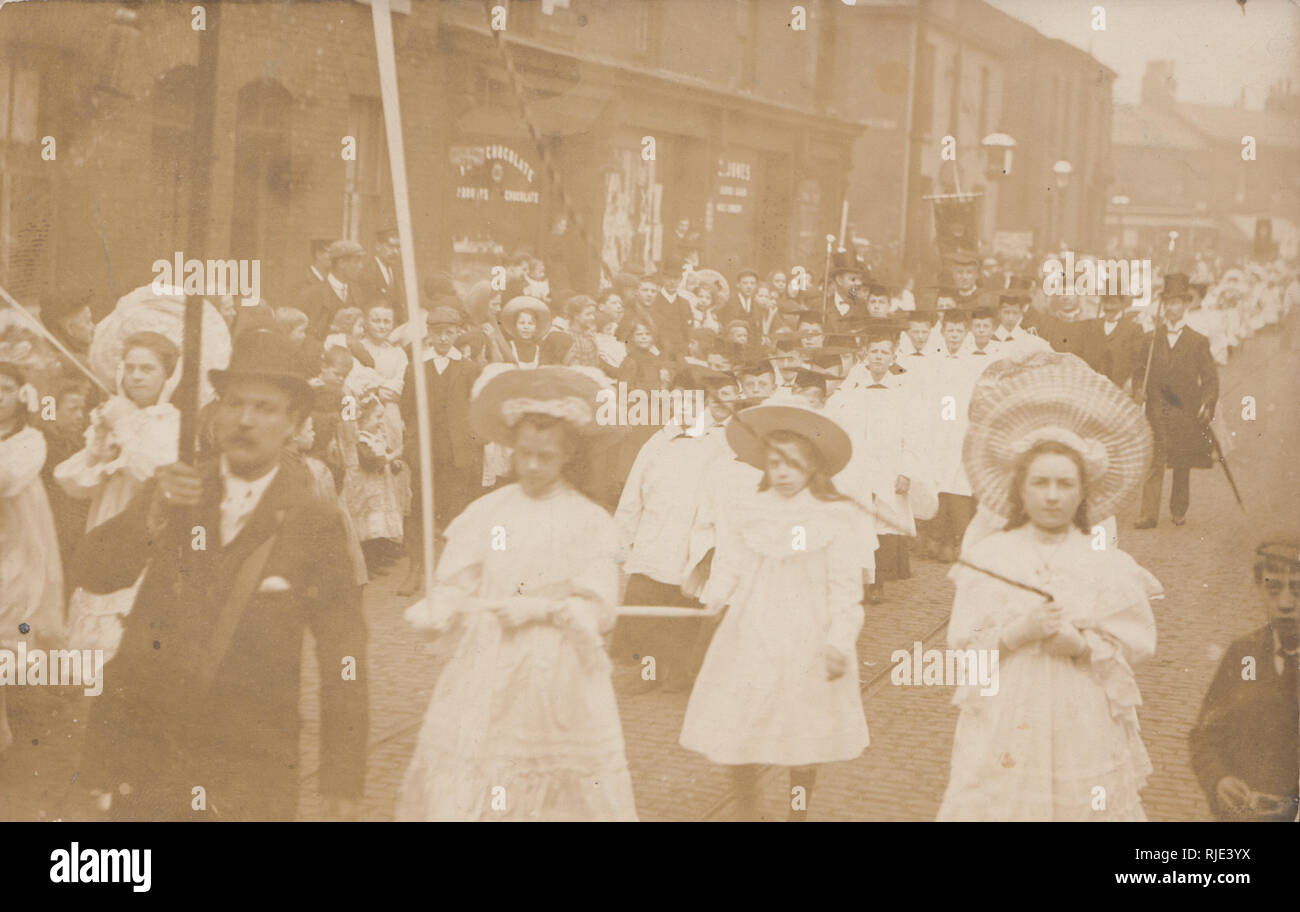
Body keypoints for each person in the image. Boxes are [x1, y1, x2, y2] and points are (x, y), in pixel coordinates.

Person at [74, 329, 368, 820]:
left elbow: (344, 654)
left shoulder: (315, 522)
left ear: (293, 422)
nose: (246, 420)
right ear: (218, 411)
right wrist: (151, 515)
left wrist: (342, 777)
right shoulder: (176, 490)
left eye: (266, 408)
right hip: (150, 747)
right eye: (234, 403)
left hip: (249, 764)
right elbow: (95, 573)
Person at [396, 365, 638, 821]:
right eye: (523, 453)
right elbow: (460, 579)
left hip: (554, 671)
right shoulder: (489, 511)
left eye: (544, 456)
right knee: (479, 767)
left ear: (566, 456)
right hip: (487, 662)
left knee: (551, 779)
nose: (530, 465)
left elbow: (599, 605)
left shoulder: (588, 521)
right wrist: (442, 605)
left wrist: (541, 608)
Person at [937, 351, 1160, 821]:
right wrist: (1017, 633)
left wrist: (1079, 645)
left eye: (1065, 483)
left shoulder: (1109, 565)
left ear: (1084, 490)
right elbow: (964, 651)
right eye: (1040, 483)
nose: (1053, 496)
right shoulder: (988, 559)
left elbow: (1136, 646)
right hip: (1006, 719)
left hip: (1081, 715)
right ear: (1021, 489)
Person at [680, 403, 870, 821]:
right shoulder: (747, 507)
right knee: (739, 725)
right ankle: (749, 811)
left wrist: (840, 639)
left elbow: (844, 590)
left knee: (804, 733)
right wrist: (714, 597)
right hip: (752, 630)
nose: (783, 472)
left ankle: (796, 813)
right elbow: (730, 562)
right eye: (775, 462)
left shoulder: (834, 516)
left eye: (795, 464)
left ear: (814, 467)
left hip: (809, 634)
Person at [56, 332, 181, 658]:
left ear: (167, 374)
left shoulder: (172, 422)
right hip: (104, 525)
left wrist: (126, 425)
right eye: (130, 367)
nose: (136, 376)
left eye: (147, 369)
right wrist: (99, 447)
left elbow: (154, 475)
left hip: (143, 533)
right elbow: (75, 486)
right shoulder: (111, 415)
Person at [1189, 537, 1299, 821]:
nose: (1286, 603)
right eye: (1273, 588)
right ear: (1259, 588)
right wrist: (1219, 779)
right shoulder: (1244, 655)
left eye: (1298, 589)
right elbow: (1205, 734)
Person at [0, 363, 64, 754]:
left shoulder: (29, 440)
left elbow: (7, 477)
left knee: (10, 633)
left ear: (21, 397)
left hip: (16, 551)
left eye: (5, 388)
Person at [397, 306, 483, 596]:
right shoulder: (416, 368)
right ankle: (416, 570)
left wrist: (472, 443)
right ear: (429, 335)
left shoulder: (469, 368)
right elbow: (406, 409)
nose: (444, 339)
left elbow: (476, 409)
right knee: (420, 511)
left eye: (449, 333)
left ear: (457, 333)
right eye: (438, 333)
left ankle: (454, 573)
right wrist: (412, 444)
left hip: (457, 454)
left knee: (456, 513)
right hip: (426, 452)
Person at [1134, 273, 1219, 529]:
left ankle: (1179, 509)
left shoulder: (1198, 341)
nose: (1173, 308)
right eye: (1168, 303)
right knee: (1155, 460)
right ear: (1163, 306)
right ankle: (1148, 514)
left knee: (1182, 462)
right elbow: (1139, 372)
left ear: (1186, 305)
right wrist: (1139, 389)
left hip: (1185, 409)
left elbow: (1210, 379)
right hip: (1156, 408)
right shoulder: (1150, 340)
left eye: (1178, 303)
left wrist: (1207, 403)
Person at [299, 239, 368, 342]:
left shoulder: (358, 292)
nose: (361, 266)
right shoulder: (313, 294)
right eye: (356, 261)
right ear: (341, 263)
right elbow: (307, 334)